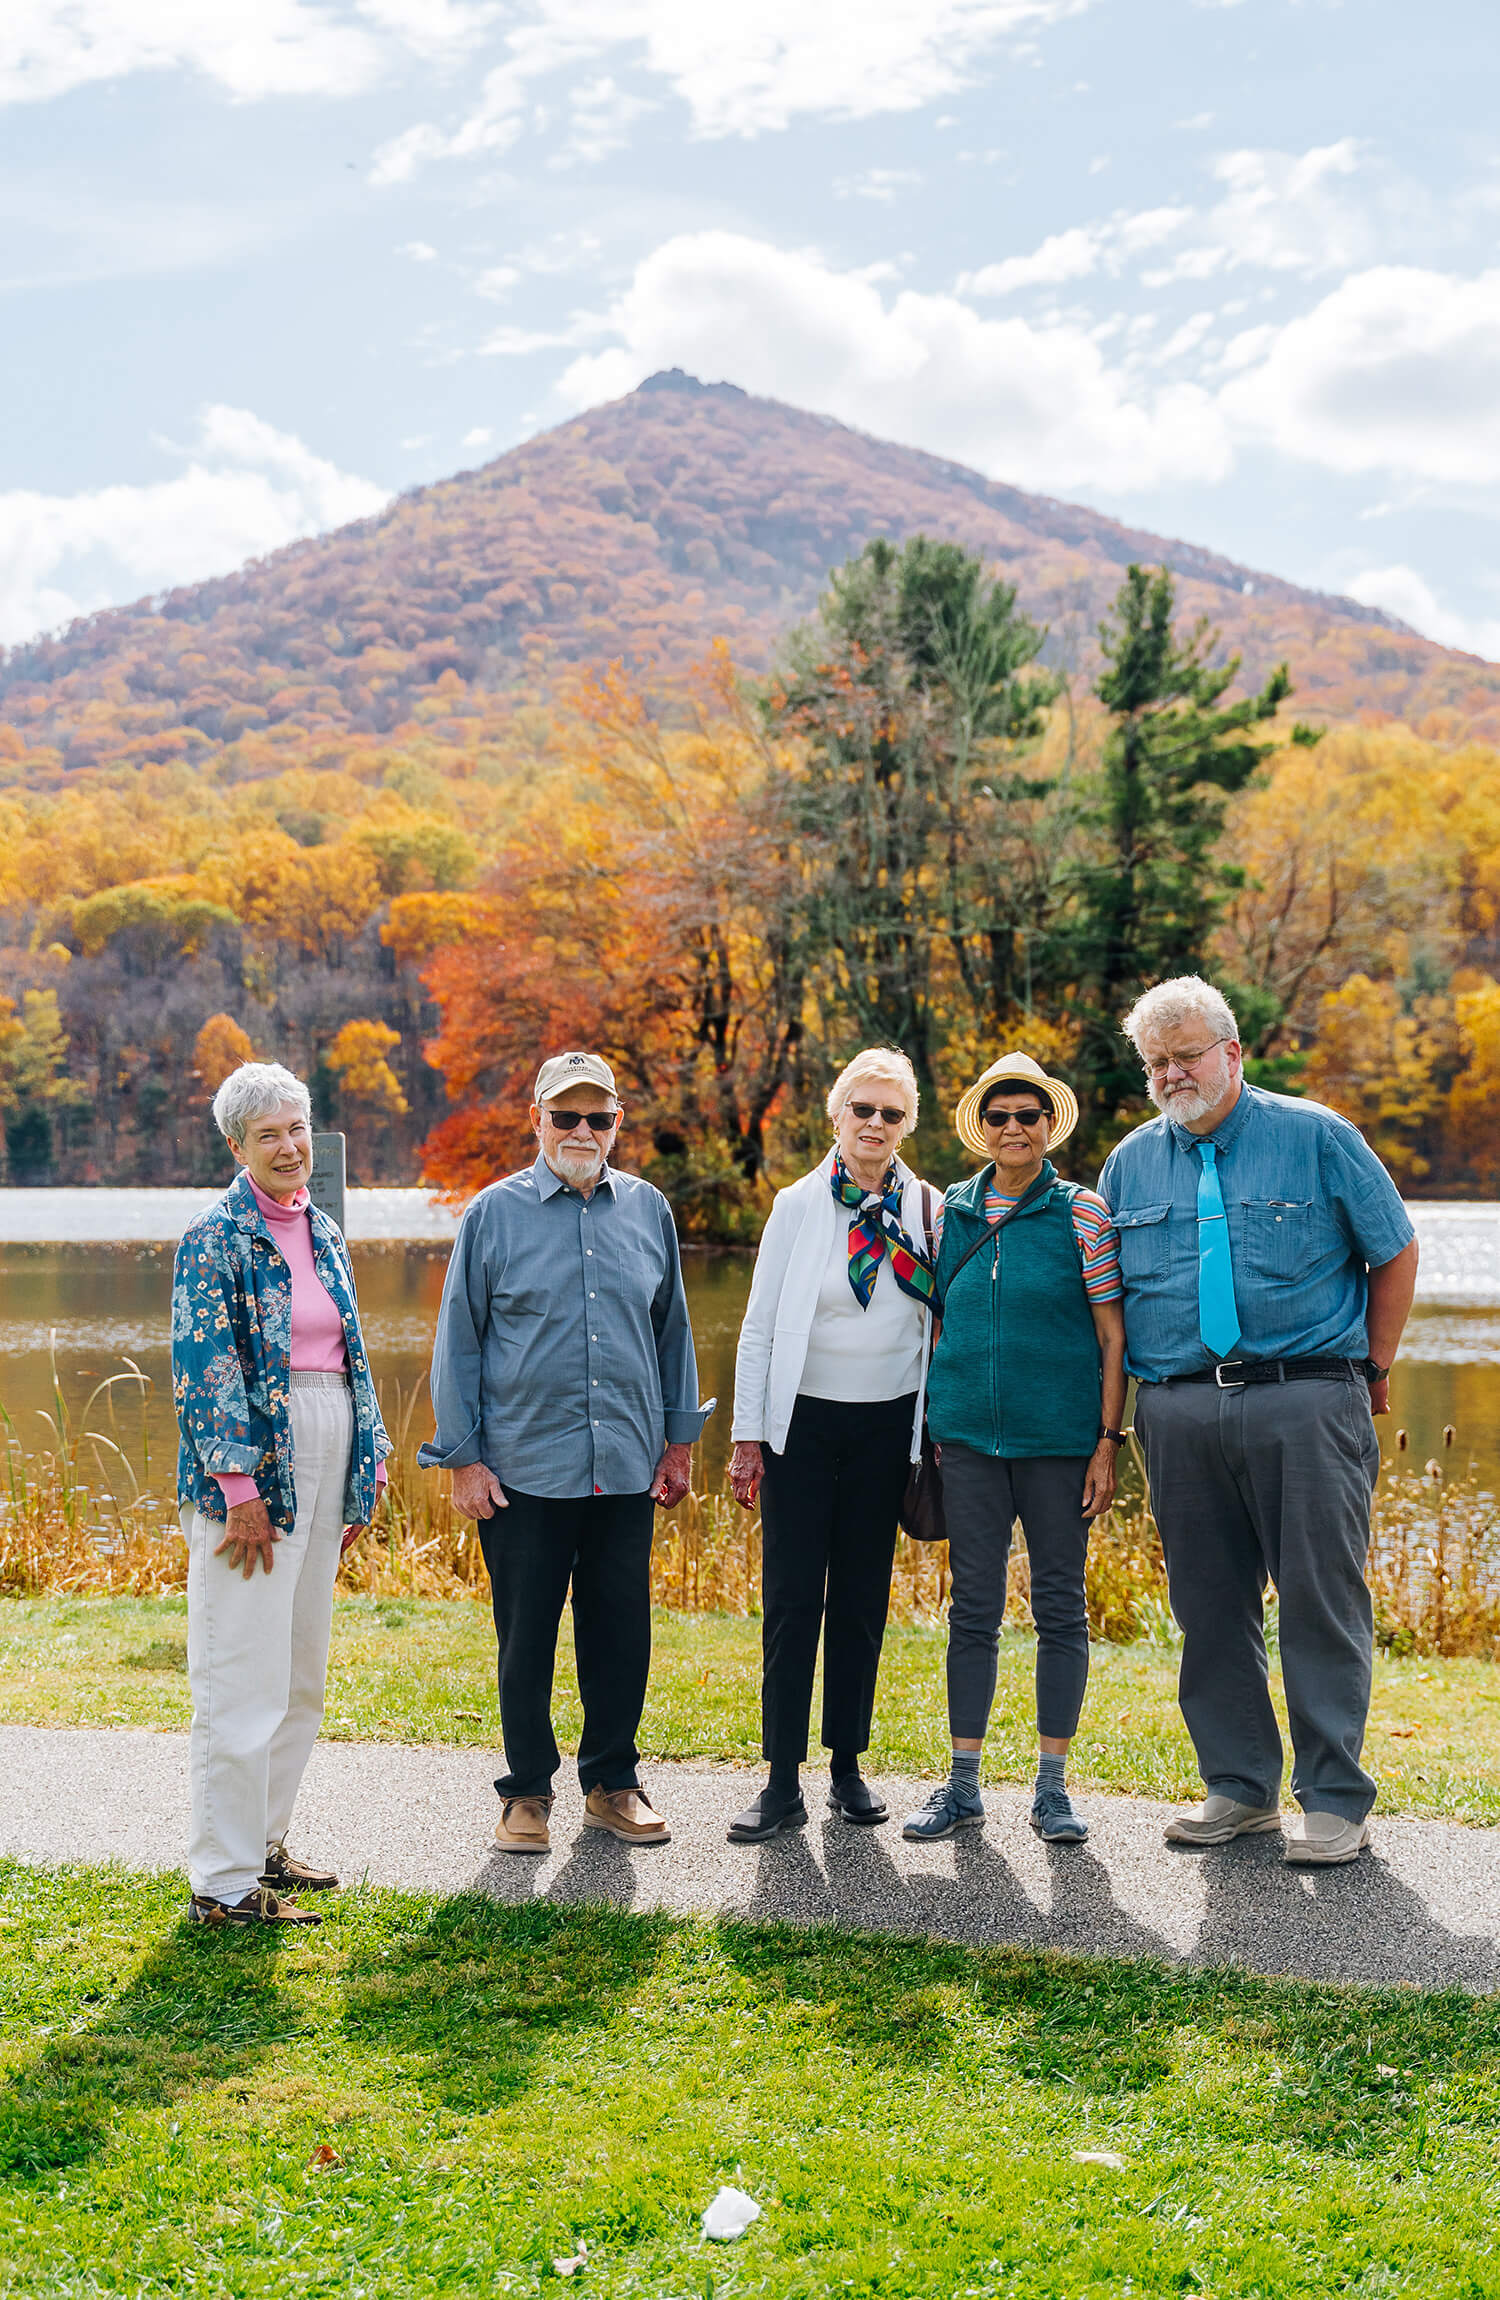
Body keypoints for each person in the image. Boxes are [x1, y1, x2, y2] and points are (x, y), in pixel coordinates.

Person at [1098, 976, 1419, 1866]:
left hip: (1305, 1397)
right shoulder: (1129, 1164)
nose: (1171, 1074)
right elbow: (1110, 1307)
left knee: (1320, 1597)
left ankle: (1333, 1797)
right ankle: (1239, 1788)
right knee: (1208, 1602)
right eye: (1156, 1062)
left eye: (1186, 1055)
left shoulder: (1316, 1137)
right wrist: (1116, 1426)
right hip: (1179, 1408)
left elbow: (1394, 1250)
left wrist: (1374, 1368)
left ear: (1233, 1053)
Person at [420, 1051, 712, 1855]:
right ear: (538, 1121)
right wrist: (464, 1459)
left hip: (623, 1463)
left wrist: (678, 1442)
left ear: (618, 1123)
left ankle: (613, 1783)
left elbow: (673, 1332)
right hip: (521, 1471)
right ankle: (526, 1794)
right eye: (566, 1117)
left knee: (620, 1629)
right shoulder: (492, 1214)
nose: (583, 1131)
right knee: (527, 1636)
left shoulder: (649, 1210)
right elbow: (459, 1342)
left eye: (599, 1118)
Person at [172, 1061, 391, 1928]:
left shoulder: (321, 1229)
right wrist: (239, 1489)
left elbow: (351, 1359)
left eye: (298, 1129)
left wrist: (363, 1468)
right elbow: (204, 1369)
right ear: (237, 1146)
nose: (291, 1147)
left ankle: (265, 1844)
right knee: (241, 1678)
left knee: (300, 1677)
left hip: (326, 1455)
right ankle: (222, 1886)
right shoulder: (215, 1235)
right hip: (256, 1475)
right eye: (269, 1135)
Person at [902, 1053, 1126, 1848]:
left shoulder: (1083, 1214)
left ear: (1049, 1124)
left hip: (1061, 1442)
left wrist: (1107, 1441)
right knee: (974, 1611)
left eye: (1028, 1116)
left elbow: (1111, 1335)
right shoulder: (947, 1214)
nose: (1013, 1129)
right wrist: (926, 1427)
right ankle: (962, 1787)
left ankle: (1052, 1791)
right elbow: (931, 1323)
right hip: (965, 1440)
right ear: (980, 1128)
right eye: (998, 1117)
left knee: (1061, 1609)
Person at [727, 1048, 935, 1843]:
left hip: (886, 1426)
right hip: (801, 1429)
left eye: (891, 1114)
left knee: (860, 1601)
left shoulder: (926, 1206)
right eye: (863, 1110)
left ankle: (847, 1764)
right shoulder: (797, 1204)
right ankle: (781, 1780)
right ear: (837, 1116)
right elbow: (755, 1327)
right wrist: (748, 1436)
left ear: (905, 1124)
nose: (875, 1125)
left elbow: (935, 1318)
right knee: (790, 1602)